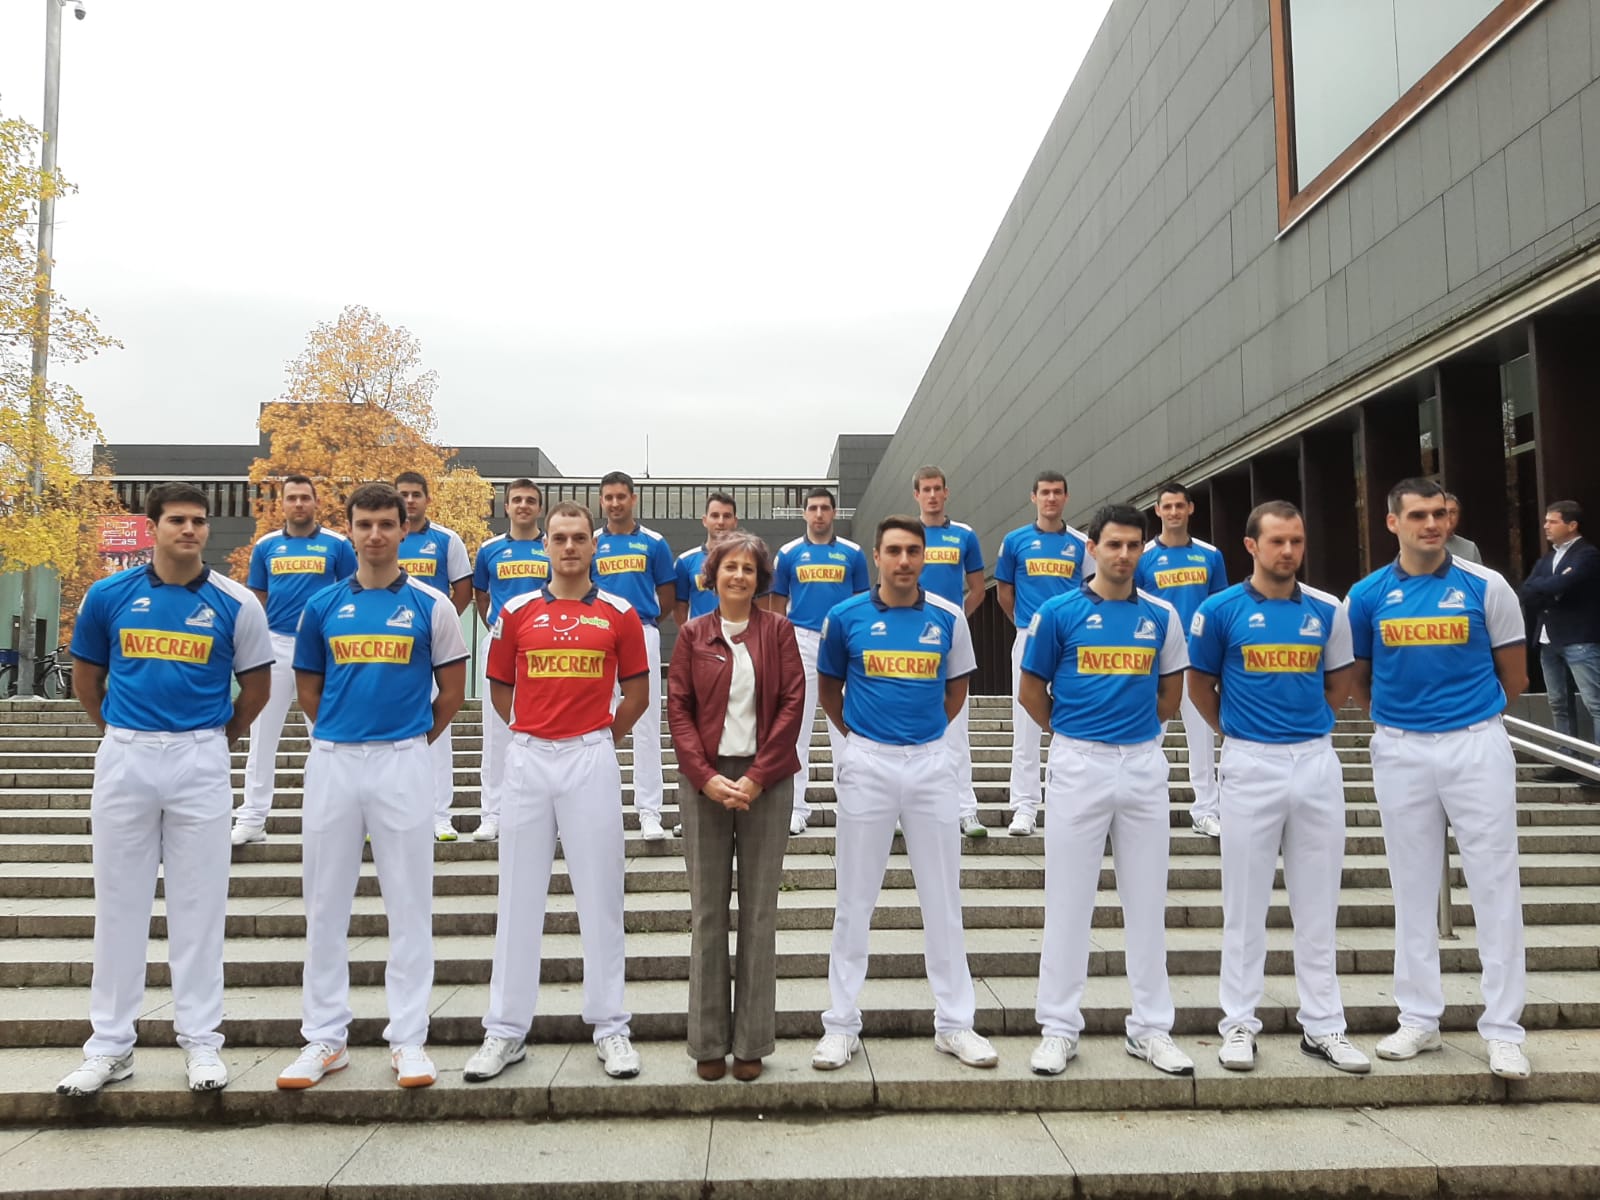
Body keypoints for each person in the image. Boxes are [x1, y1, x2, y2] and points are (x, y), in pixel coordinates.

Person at [55, 482, 273, 1097]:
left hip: (201, 758)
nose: (191, 530)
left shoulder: (236, 603)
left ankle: (202, 1042)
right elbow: (87, 677)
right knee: (119, 905)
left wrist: (218, 738)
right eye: (178, 519)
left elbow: (254, 689)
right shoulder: (109, 595)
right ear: (152, 526)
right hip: (125, 755)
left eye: (199, 521)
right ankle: (109, 1046)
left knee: (199, 907)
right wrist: (120, 732)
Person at [276, 482, 468, 1091]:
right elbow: (309, 689)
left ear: (403, 530)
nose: (377, 534)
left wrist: (408, 742)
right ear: (351, 530)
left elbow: (453, 693)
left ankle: (408, 1040)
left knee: (409, 905)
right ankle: (323, 1040)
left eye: (388, 523)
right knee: (324, 904)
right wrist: (341, 732)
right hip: (333, 760)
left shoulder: (432, 605)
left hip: (403, 761)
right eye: (365, 524)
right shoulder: (323, 605)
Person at [1344, 477, 1531, 1081]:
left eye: (1440, 514)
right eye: (1419, 515)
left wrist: (1464, 721)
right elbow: (1361, 677)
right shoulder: (1367, 595)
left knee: (1495, 884)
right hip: (1400, 749)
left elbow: (1516, 677)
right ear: (1392, 522)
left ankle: (1503, 1029)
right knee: (1412, 885)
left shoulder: (1486, 585)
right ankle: (1419, 1018)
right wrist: (1405, 723)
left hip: (1476, 743)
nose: (1432, 524)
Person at [463, 501, 650, 1082]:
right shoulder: (515, 610)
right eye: (559, 538)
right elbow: (499, 689)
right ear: (544, 545)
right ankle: (505, 1031)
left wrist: (597, 737)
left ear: (594, 546)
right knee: (518, 895)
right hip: (528, 759)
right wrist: (533, 730)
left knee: (601, 894)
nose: (569, 547)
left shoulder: (619, 612)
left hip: (589, 757)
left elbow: (639, 695)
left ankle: (611, 1027)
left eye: (578, 538)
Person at [1187, 501, 1369, 1074]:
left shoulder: (1326, 609)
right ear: (1252, 547)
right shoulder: (1219, 609)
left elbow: (1339, 680)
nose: (1288, 551)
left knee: (1319, 904)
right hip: (1249, 764)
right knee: (1245, 904)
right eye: (1277, 542)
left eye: (1296, 540)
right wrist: (1239, 733)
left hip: (1315, 762)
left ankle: (1325, 1027)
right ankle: (1239, 1023)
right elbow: (1199, 685)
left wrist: (1304, 722)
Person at [811, 516, 998, 1072]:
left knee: (943, 898)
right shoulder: (844, 617)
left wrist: (923, 738)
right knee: (854, 901)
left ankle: (955, 1024)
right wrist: (864, 741)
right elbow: (828, 688)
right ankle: (841, 1024)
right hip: (867, 761)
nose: (904, 560)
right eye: (893, 551)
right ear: (876, 556)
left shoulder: (947, 617)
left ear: (924, 556)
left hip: (930, 763)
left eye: (913, 551)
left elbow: (956, 688)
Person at [1019, 504, 1193, 1078]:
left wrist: (1130, 735)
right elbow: (1031, 692)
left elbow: (1170, 694)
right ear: (1090, 548)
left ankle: (1151, 1030)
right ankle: (1058, 1028)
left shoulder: (1161, 616)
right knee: (1068, 900)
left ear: (1144, 549)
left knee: (1147, 902)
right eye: (1113, 545)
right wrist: (1074, 735)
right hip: (1078, 762)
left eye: (1133, 546)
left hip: (1143, 764)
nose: (1124, 555)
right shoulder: (1058, 612)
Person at [667, 532, 805, 1081]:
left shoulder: (780, 631)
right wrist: (704, 777)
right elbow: (677, 707)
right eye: (730, 568)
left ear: (760, 578)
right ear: (713, 575)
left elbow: (793, 703)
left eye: (749, 569)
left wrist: (755, 777)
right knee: (706, 915)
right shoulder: (692, 634)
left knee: (759, 914)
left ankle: (751, 1041)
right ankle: (706, 1043)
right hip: (704, 785)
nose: (739, 577)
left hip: (764, 782)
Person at [233, 475, 355, 845]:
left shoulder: (337, 545)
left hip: (320, 649)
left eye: (305, 498)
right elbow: (257, 598)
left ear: (316, 503)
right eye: (292, 498)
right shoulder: (266, 546)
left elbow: (351, 592)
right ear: (282, 504)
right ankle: (253, 817)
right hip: (275, 647)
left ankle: (329, 816)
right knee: (261, 735)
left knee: (325, 736)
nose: (299, 504)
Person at [994, 471, 1091, 836]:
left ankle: (1074, 802)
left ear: (1066, 498)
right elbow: (1005, 591)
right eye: (1045, 493)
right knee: (1025, 728)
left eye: (1057, 493)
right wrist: (1025, 625)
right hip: (1029, 638)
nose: (1051, 498)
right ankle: (1024, 806)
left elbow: (1091, 590)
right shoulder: (1015, 541)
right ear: (1033, 498)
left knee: (1073, 721)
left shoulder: (1082, 544)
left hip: (1072, 645)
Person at [769, 488, 870, 836]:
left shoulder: (853, 554)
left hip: (842, 641)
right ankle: (796, 807)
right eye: (812, 508)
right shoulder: (788, 554)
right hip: (802, 641)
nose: (819, 514)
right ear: (804, 513)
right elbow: (777, 606)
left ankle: (853, 806)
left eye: (825, 508)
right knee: (797, 727)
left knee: (846, 726)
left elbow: (862, 604)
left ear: (835, 512)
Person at [1135, 481, 1228, 837]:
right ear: (1157, 511)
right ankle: (1145, 807)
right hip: (1157, 657)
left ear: (1190, 509)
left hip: (1197, 656)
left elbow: (1218, 607)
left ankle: (1205, 809)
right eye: (1166, 506)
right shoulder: (1143, 556)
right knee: (1149, 734)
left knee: (1202, 736)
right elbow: (1137, 606)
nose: (1173, 512)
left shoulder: (1209, 555)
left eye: (1179, 506)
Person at [593, 470, 677, 841]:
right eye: (608, 497)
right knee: (596, 722)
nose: (614, 503)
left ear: (633, 499)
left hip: (641, 631)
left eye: (620, 497)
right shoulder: (591, 541)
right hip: (597, 636)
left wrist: (643, 625)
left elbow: (668, 595)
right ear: (601, 501)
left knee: (646, 727)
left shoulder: (654, 543)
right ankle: (601, 808)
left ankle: (649, 812)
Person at [395, 471, 473, 842]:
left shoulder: (446, 540)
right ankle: (387, 812)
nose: (410, 500)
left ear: (427, 499)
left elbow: (462, 589)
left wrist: (438, 631)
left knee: (438, 731)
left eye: (415, 494)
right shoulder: (381, 538)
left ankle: (441, 815)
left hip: (430, 648)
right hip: (390, 649)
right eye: (403, 495)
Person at [471, 479, 550, 841]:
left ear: (539, 507)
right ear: (506, 506)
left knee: (549, 726)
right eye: (516, 500)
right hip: (503, 642)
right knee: (496, 730)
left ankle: (548, 812)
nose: (523, 505)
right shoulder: (489, 550)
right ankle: (493, 813)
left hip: (545, 645)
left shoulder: (550, 546)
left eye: (530, 500)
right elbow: (481, 596)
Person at [911, 466, 987, 839]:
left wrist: (954, 619)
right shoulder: (908, 535)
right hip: (910, 639)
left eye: (937, 488)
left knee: (956, 728)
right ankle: (902, 810)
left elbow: (977, 589)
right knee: (906, 720)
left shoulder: (964, 535)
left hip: (949, 639)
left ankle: (966, 809)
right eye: (926, 489)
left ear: (946, 492)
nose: (932, 495)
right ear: (917, 495)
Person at [1519, 500, 1600, 785]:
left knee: (1594, 702)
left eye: (1552, 521)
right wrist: (1553, 585)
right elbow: (1527, 590)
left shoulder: (1587, 555)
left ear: (1571, 525)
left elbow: (1564, 584)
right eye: (1546, 521)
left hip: (1579, 637)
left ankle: (1597, 765)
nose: (1546, 527)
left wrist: (1551, 585)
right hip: (1548, 638)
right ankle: (1567, 760)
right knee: (1558, 703)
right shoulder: (1547, 559)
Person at [674, 492, 739, 625]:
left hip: (739, 640)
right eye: (715, 516)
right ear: (705, 520)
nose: (721, 522)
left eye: (727, 516)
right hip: (700, 642)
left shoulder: (749, 561)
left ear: (735, 521)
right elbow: (679, 607)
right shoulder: (685, 562)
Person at [1443, 494, 1484, 564]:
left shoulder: (1470, 548)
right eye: (1443, 512)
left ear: (1459, 516)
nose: (1448, 516)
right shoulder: (1423, 545)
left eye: (1452, 512)